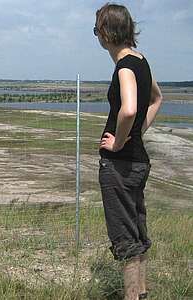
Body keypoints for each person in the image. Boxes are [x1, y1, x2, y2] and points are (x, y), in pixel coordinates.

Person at [94, 3, 163, 300]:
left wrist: (120, 141)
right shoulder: (141, 60)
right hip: (138, 162)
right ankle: (142, 294)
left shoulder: (124, 65)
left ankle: (131, 296)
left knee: (125, 238)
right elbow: (157, 99)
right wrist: (138, 132)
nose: (96, 35)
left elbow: (130, 108)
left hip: (120, 165)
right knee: (137, 232)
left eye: (97, 29)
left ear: (107, 33)